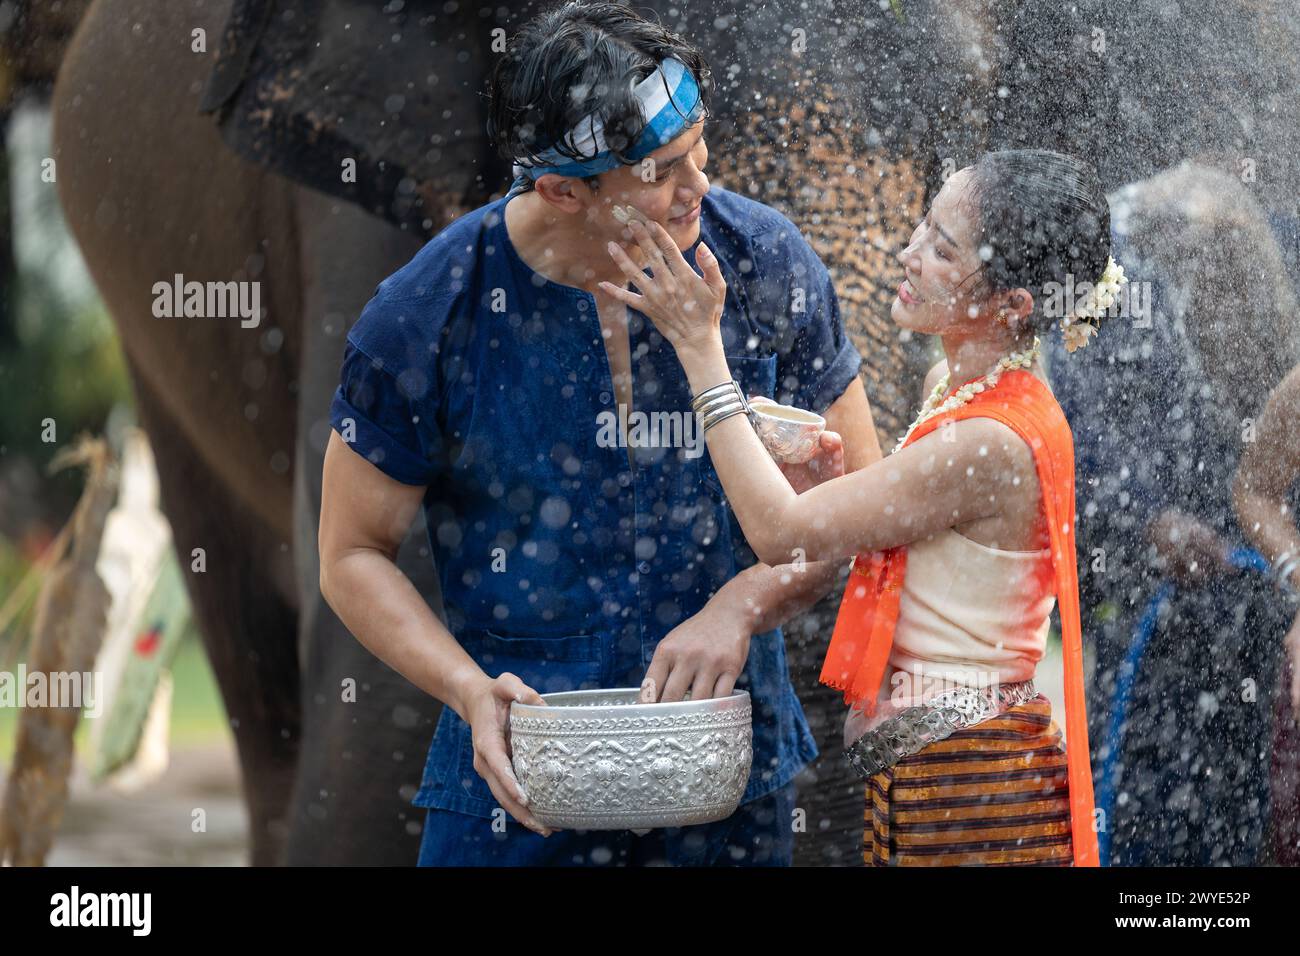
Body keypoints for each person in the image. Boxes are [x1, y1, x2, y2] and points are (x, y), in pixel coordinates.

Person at [317, 1, 880, 866]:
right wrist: (467, 690)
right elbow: (350, 553)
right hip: (518, 788)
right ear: (562, 190)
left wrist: (739, 607)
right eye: (661, 170)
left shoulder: (764, 262)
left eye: (699, 149)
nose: (699, 186)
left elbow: (859, 505)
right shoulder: (428, 313)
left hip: (725, 768)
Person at [603, 149, 1111, 865]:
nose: (909, 255)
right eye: (922, 228)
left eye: (942, 249)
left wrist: (699, 350)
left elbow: (779, 533)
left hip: (968, 787)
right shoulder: (957, 384)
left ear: (1013, 304)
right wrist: (828, 491)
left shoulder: (991, 438)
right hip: (932, 772)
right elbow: (904, 541)